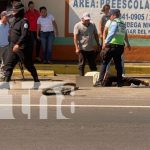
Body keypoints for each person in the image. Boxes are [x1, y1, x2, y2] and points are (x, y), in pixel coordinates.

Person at [3, 2, 39, 83]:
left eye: (15, 11)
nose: (13, 12)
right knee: (8, 65)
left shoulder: (24, 21)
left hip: (22, 48)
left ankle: (36, 80)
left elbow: (24, 34)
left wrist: (18, 44)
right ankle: (6, 84)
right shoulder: (13, 20)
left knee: (28, 65)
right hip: (12, 46)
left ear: (20, 11)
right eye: (13, 10)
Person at [96, 9, 127, 87]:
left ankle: (100, 82)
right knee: (118, 65)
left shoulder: (114, 22)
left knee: (105, 63)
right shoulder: (123, 23)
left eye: (110, 15)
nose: (109, 17)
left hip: (112, 46)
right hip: (120, 46)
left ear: (114, 15)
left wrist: (105, 43)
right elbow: (123, 35)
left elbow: (111, 33)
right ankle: (120, 82)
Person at [102, 10, 131, 76]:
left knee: (118, 62)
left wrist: (128, 43)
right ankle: (108, 76)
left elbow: (124, 34)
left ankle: (120, 77)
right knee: (110, 62)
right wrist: (104, 42)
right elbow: (105, 32)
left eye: (111, 15)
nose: (110, 16)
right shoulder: (110, 22)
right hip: (113, 45)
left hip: (116, 45)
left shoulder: (119, 22)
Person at [0, 11, 10, 79]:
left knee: (5, 62)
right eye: (6, 17)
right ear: (1, 17)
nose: (7, 18)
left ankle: (4, 75)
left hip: (6, 46)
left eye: (8, 17)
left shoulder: (8, 24)